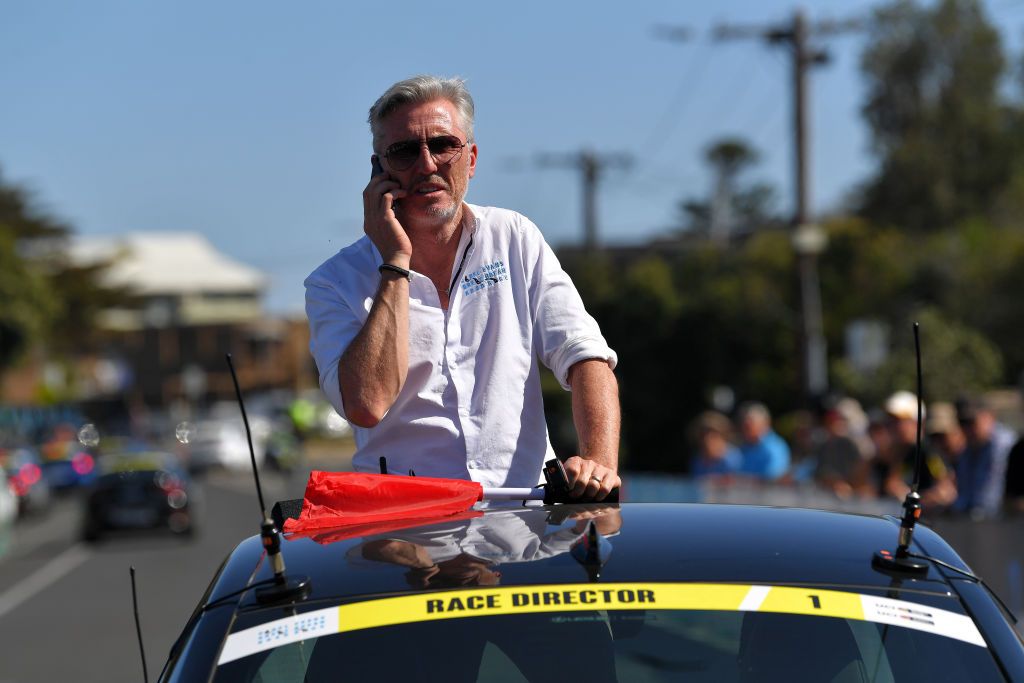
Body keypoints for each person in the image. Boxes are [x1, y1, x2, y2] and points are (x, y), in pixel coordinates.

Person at [304, 75, 620, 498]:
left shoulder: (515, 237)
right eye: (403, 151)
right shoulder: (332, 282)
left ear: (470, 159)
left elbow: (586, 358)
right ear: (379, 170)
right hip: (406, 531)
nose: (427, 164)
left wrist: (598, 464)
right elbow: (367, 403)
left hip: (522, 520)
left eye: (442, 145)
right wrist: (395, 263)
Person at [881, 391, 956, 511]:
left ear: (916, 422)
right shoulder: (900, 452)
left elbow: (946, 492)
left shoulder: (928, 452)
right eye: (890, 420)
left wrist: (909, 499)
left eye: (899, 420)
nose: (892, 425)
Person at [951, 396, 1016, 519]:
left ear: (990, 416)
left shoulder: (1005, 446)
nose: (967, 428)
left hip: (1002, 523)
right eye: (962, 423)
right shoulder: (968, 451)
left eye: (971, 421)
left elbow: (989, 501)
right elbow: (965, 496)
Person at [735, 402, 790, 480]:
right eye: (744, 422)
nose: (746, 425)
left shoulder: (775, 447)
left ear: (765, 423)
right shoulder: (744, 447)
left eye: (750, 421)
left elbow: (772, 476)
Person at [689, 411, 741, 478]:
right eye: (703, 436)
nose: (707, 440)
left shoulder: (734, 458)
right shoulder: (697, 461)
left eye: (713, 436)